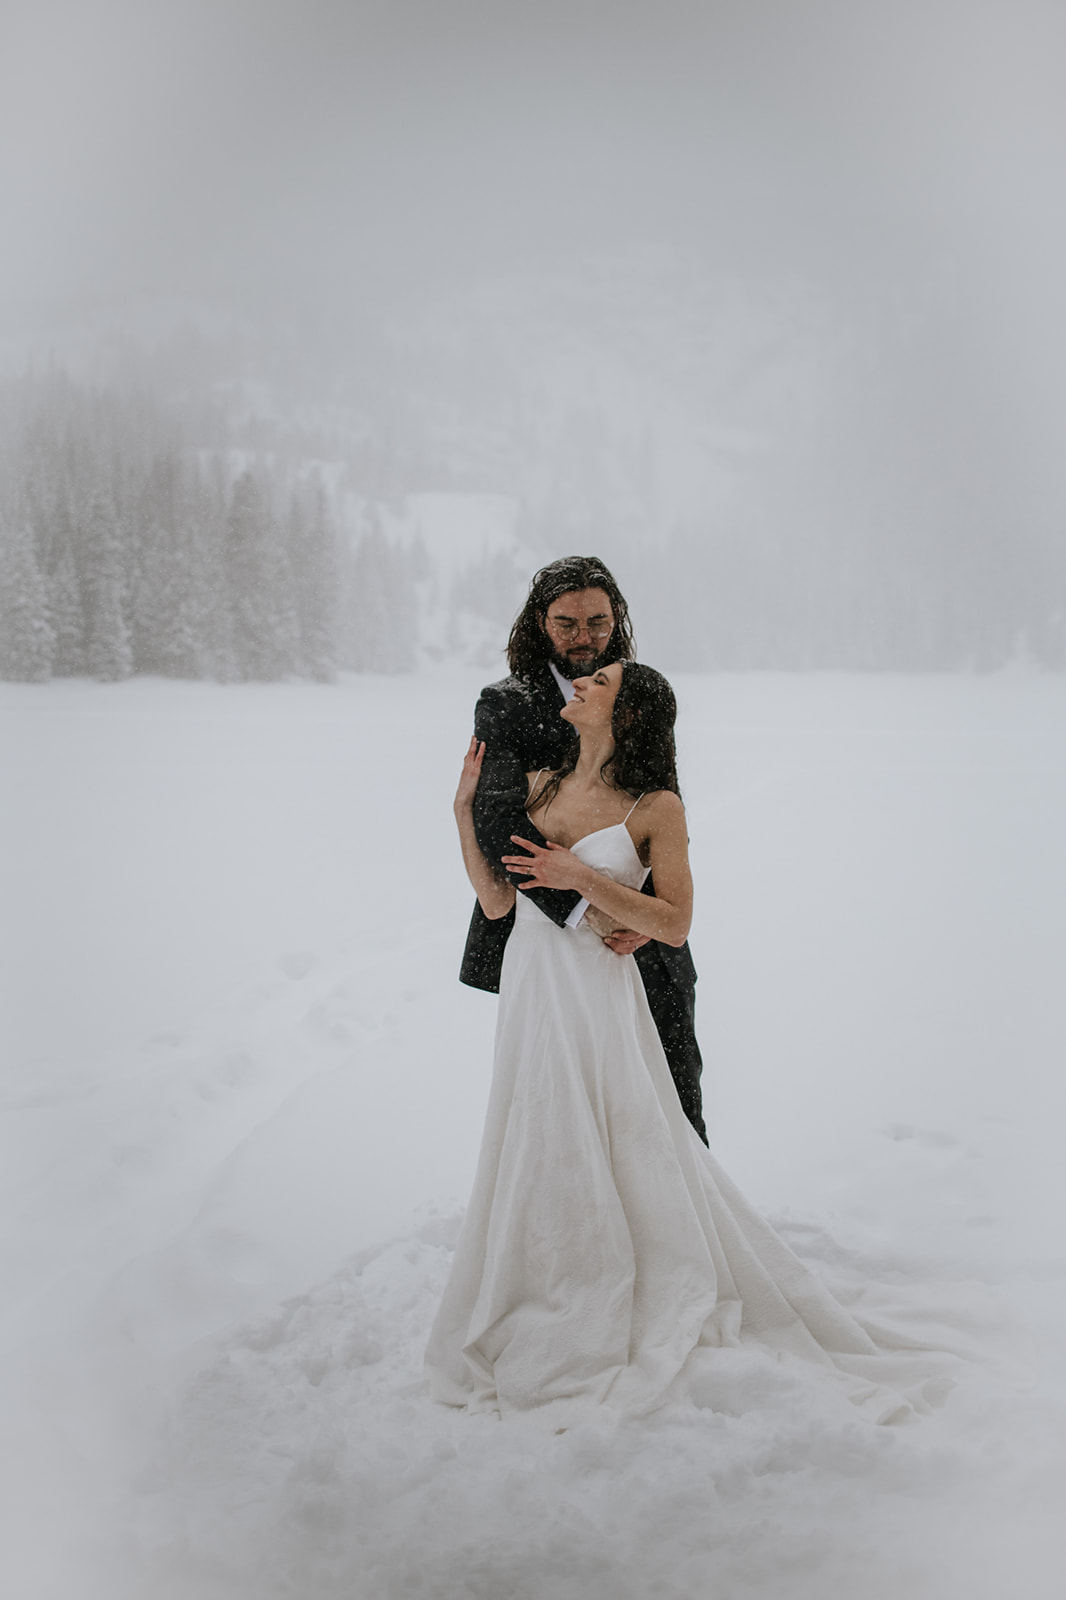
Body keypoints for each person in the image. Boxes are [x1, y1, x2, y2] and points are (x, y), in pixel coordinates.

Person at [426, 661, 957, 1425]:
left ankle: (625, 1279)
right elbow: (498, 898)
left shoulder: (656, 806)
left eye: (598, 684)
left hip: (598, 991)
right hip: (534, 983)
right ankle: (545, 1275)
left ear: (630, 714)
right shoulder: (542, 782)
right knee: (539, 1124)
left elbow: (672, 923)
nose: (578, 686)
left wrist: (581, 875)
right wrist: (463, 810)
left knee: (620, 1129)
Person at [460, 555, 707, 1143]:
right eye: (566, 623)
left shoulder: (636, 689)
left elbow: (663, 799)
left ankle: (686, 1226)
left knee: (672, 1092)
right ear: (539, 622)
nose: (584, 637)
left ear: (615, 617)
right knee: (561, 1102)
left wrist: (645, 914)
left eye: (598, 621)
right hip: (549, 938)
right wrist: (585, 911)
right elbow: (497, 820)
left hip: (645, 934)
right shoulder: (507, 702)